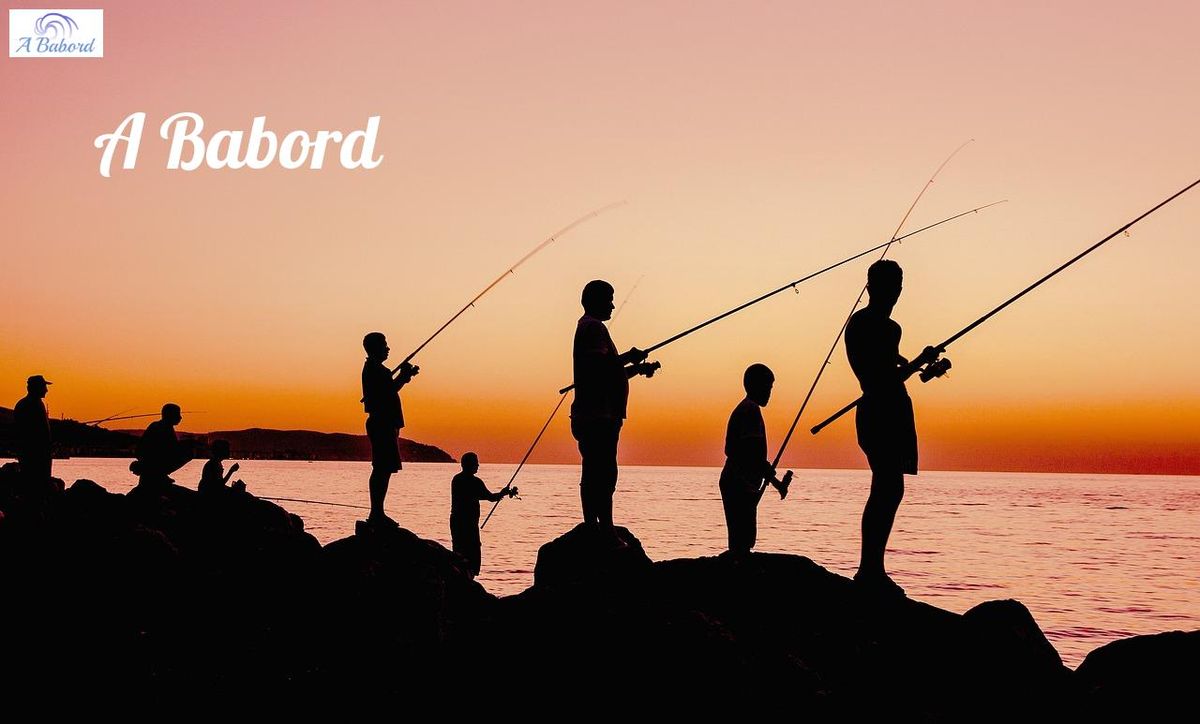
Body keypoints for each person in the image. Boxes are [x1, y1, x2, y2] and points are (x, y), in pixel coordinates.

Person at [845, 260, 941, 595]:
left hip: (886, 410)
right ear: (872, 287)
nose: (896, 291)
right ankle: (869, 570)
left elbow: (887, 363)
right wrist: (915, 363)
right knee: (886, 488)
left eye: (899, 284)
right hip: (881, 410)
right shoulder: (879, 326)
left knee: (889, 488)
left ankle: (872, 567)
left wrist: (914, 361)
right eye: (891, 284)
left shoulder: (869, 325)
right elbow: (881, 376)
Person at [569, 279, 658, 546]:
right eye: (608, 299)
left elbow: (606, 374)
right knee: (604, 472)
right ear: (593, 301)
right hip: (598, 416)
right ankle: (604, 529)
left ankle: (593, 526)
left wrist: (637, 370)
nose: (612, 305)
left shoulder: (588, 328)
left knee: (594, 470)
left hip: (594, 414)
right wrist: (629, 357)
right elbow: (599, 369)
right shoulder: (593, 328)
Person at [719, 364, 791, 555]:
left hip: (739, 482)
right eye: (767, 387)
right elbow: (750, 454)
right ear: (755, 385)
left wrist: (772, 479)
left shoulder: (746, 409)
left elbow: (744, 453)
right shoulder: (750, 411)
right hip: (739, 483)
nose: (769, 393)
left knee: (741, 538)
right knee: (742, 540)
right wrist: (775, 481)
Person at [361, 331, 419, 528]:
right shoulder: (375, 370)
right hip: (381, 423)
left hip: (384, 423)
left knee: (383, 469)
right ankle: (377, 513)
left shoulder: (377, 370)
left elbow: (389, 390)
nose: (388, 348)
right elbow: (386, 393)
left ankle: (378, 512)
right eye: (384, 345)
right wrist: (403, 376)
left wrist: (404, 377)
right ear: (374, 348)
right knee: (381, 469)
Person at [449, 452, 515, 577]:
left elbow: (486, 496)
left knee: (459, 550)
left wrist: (502, 493)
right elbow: (490, 497)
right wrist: (503, 493)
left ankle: (461, 577)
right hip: (468, 523)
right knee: (472, 551)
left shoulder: (457, 479)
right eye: (476, 462)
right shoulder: (474, 482)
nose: (478, 465)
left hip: (456, 521)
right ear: (469, 464)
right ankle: (468, 579)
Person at [132, 403, 192, 492]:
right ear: (170, 415)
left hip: (150, 465)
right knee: (190, 452)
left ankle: (161, 475)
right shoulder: (163, 428)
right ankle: (160, 475)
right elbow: (172, 449)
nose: (180, 417)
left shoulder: (157, 426)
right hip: (154, 465)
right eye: (178, 414)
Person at [13, 375, 53, 484]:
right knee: (37, 485)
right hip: (35, 456)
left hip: (33, 455)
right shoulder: (33, 405)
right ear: (37, 387)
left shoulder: (26, 404)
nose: (46, 390)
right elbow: (36, 432)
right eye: (44, 386)